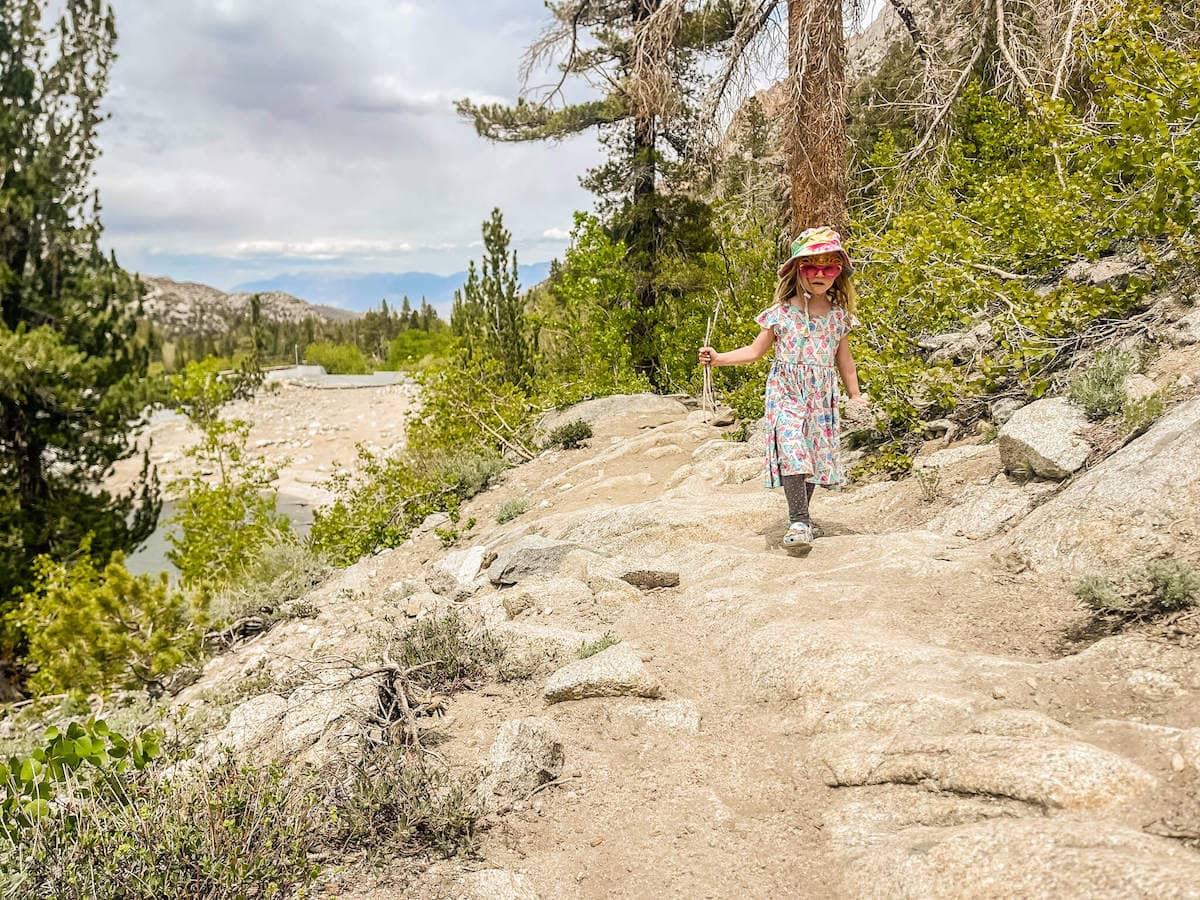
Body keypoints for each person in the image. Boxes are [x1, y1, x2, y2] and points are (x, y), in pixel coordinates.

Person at [698, 226, 868, 553]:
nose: (820, 274)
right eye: (811, 267)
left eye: (829, 267)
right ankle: (799, 519)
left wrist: (855, 395)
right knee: (793, 447)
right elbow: (754, 351)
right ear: (796, 270)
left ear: (839, 274)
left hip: (821, 395)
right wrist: (718, 359)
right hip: (786, 392)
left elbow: (845, 361)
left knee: (814, 454)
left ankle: (802, 517)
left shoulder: (838, 318)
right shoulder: (780, 313)